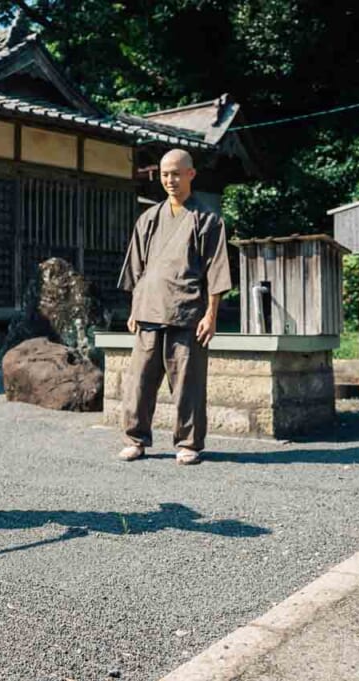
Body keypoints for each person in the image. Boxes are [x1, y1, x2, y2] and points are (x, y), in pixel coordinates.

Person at [116, 149, 232, 465]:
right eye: (166, 174)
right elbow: (137, 269)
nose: (170, 180)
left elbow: (216, 270)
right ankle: (135, 439)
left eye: (176, 173)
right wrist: (133, 309)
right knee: (138, 382)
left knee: (187, 385)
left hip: (187, 313)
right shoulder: (149, 218)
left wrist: (211, 314)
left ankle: (188, 443)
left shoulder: (208, 219)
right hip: (149, 311)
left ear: (191, 174)